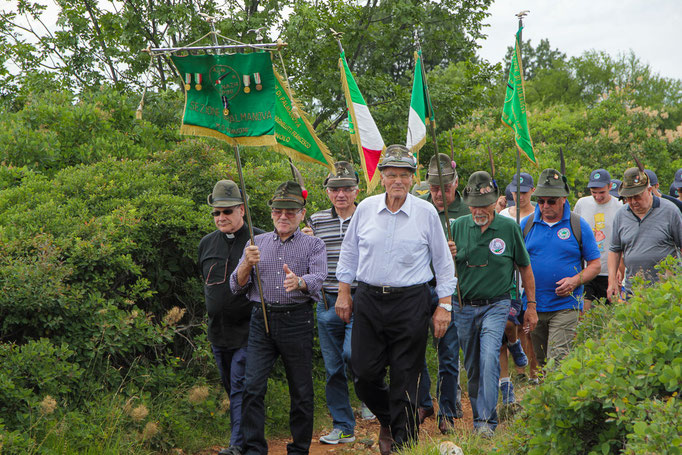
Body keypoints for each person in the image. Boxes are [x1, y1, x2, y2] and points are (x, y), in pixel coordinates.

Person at [335, 145, 456, 454]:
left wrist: (444, 306)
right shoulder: (365, 208)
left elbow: (443, 263)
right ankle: (392, 419)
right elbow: (349, 253)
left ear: (413, 179)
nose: (398, 181)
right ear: (382, 177)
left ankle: (403, 444)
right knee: (363, 373)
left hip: (411, 302)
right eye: (391, 175)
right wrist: (344, 292)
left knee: (405, 377)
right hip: (369, 300)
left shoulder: (426, 213)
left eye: (404, 175)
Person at [230, 181, 327, 455]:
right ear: (271, 213)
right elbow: (235, 286)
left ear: (301, 213)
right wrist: (247, 265)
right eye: (278, 211)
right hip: (262, 319)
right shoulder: (255, 244)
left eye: (291, 211)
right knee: (252, 387)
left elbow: (320, 277)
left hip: (297, 320)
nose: (283, 216)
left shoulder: (313, 244)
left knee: (301, 390)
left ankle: (298, 449)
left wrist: (300, 282)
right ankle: (254, 449)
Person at [450, 171, 536, 437]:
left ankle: (487, 423)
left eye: (484, 205)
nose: (478, 211)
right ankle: (479, 417)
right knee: (473, 366)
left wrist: (530, 305)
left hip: (497, 304)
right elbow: (442, 270)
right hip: (463, 306)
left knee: (489, 357)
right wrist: (448, 254)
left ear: (494, 203)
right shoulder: (457, 226)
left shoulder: (509, 227)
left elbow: (524, 267)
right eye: (474, 205)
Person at [303, 162, 373, 446]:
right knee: (333, 367)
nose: (340, 194)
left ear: (356, 190)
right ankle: (343, 426)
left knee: (352, 356)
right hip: (326, 301)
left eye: (346, 188)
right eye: (335, 189)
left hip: (361, 299)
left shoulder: (369, 217)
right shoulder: (317, 221)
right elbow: (305, 254)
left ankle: (368, 394)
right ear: (328, 192)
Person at [198, 180, 265, 455]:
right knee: (231, 386)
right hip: (218, 332)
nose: (221, 217)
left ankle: (237, 445)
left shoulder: (259, 240)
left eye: (226, 211)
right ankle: (247, 435)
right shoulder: (205, 244)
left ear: (241, 209)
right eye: (216, 212)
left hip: (250, 329)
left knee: (240, 384)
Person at [521, 169, 601, 367]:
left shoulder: (577, 225)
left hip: (566, 306)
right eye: (541, 201)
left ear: (563, 199)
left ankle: (556, 395)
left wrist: (575, 281)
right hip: (534, 305)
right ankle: (546, 396)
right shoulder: (526, 225)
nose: (545, 206)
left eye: (551, 201)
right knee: (541, 361)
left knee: (557, 359)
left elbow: (595, 265)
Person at [415, 153, 468, 433]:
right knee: (414, 349)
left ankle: (447, 410)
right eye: (434, 188)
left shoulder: (468, 211)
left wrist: (458, 251)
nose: (438, 194)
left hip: (451, 291)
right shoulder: (418, 209)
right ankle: (424, 401)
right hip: (419, 289)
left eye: (444, 188)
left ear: (456, 183)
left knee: (448, 352)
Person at [607, 168, 682, 301]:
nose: (633, 202)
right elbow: (614, 250)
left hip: (667, 290)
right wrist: (612, 279)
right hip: (634, 290)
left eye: (637, 196)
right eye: (628, 198)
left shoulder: (670, 211)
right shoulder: (621, 215)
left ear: (649, 190)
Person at [497, 172, 535, 402]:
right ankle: (506, 380)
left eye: (523, 192)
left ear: (531, 191)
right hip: (507, 278)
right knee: (506, 325)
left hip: (528, 275)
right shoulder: (503, 215)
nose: (519, 196)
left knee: (527, 328)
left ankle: (528, 373)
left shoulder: (536, 215)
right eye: (515, 192)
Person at [573, 169, 623, 311]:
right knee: (584, 313)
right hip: (588, 268)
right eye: (594, 192)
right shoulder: (582, 204)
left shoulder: (619, 207)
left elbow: (623, 241)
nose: (597, 196)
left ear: (609, 186)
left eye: (601, 192)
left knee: (609, 314)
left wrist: (620, 268)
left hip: (609, 271)